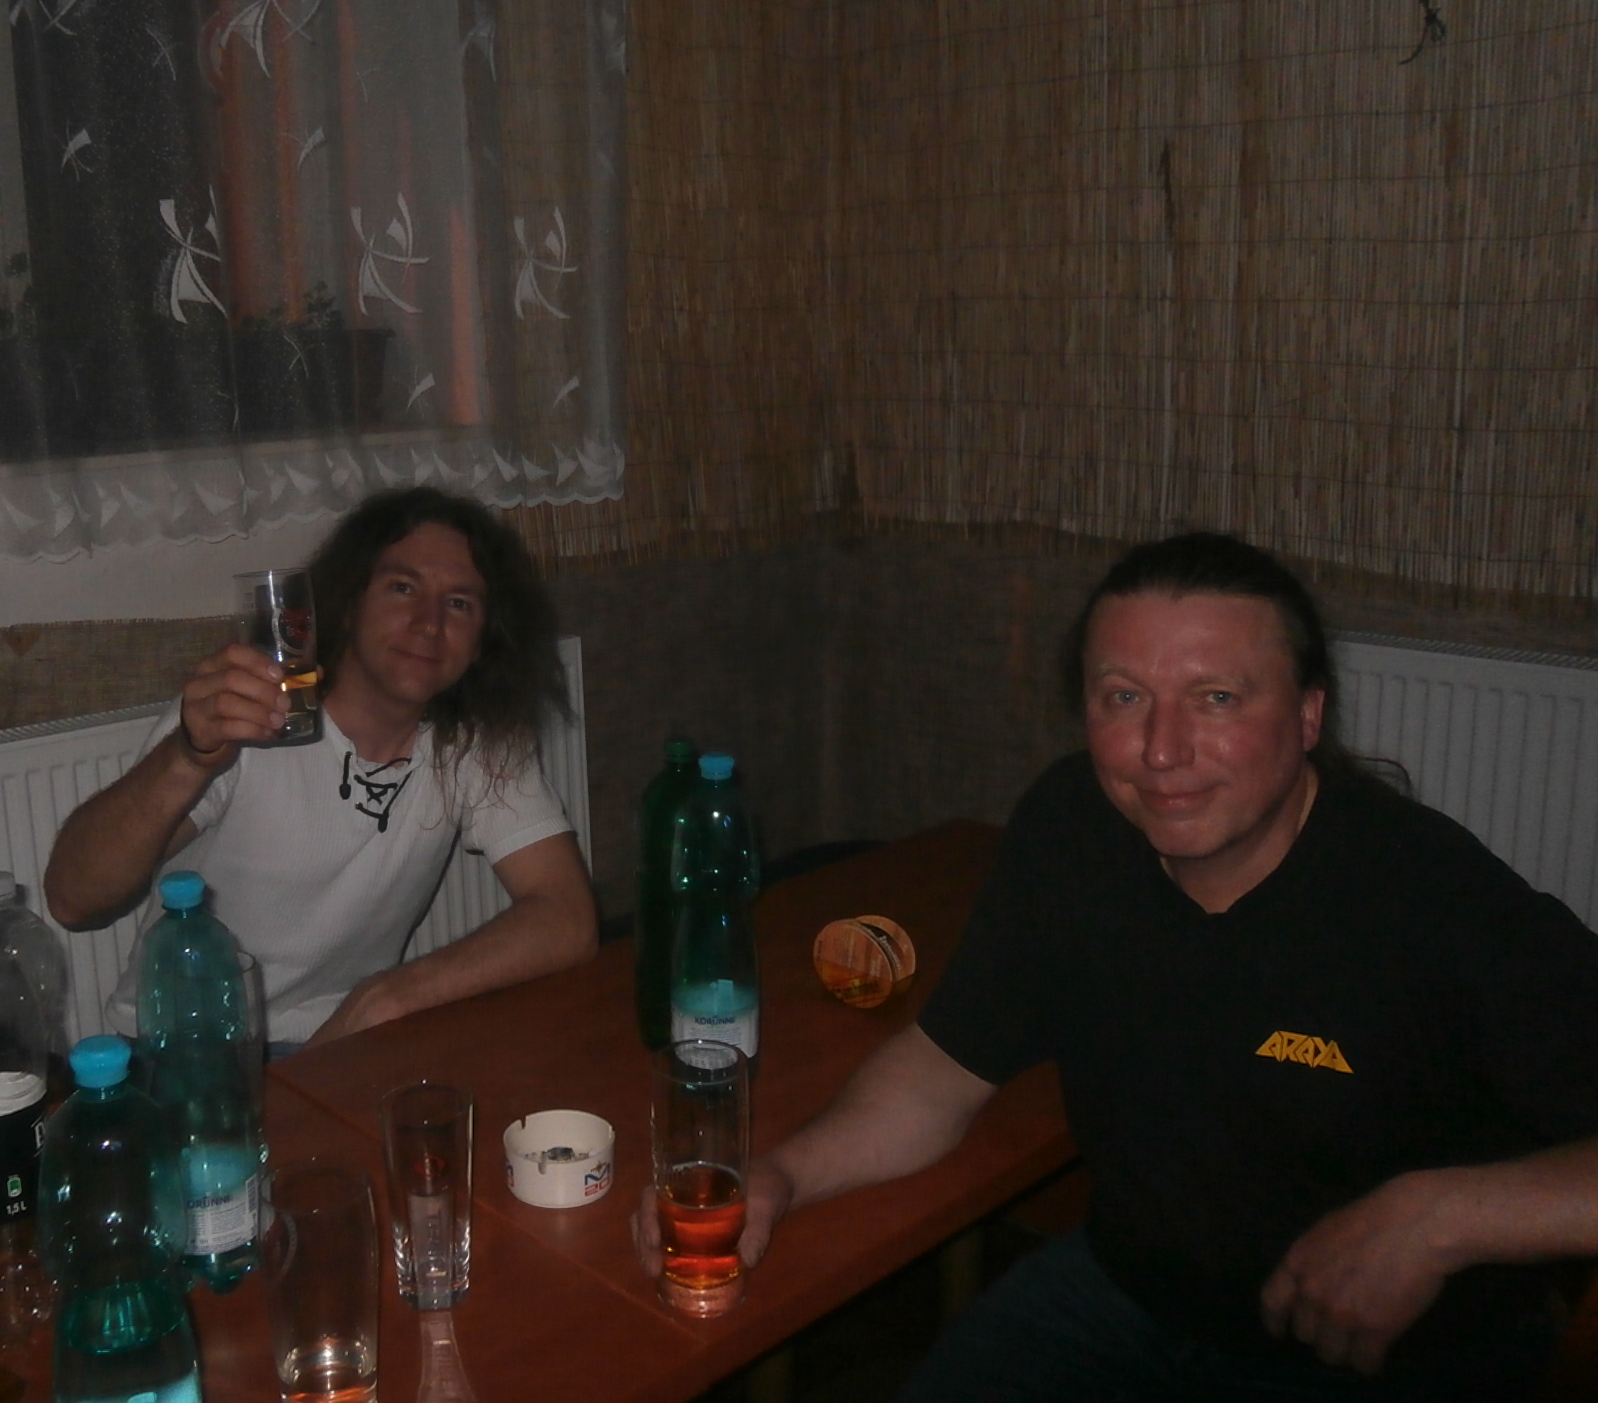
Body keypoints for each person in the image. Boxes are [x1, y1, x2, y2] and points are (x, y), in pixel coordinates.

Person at [636, 532, 1598, 1401]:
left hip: (1389, 1355)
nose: (1162, 750)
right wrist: (780, 1174)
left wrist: (1437, 1219)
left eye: (1217, 698)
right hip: (1127, 1301)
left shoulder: (1429, 898)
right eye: (1124, 698)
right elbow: (939, 1074)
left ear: (1309, 715)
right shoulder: (1071, 830)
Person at [46, 487, 597, 1048]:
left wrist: (385, 999)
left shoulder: (475, 737)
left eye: (458, 604)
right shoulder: (254, 706)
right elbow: (74, 899)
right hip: (187, 1051)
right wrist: (188, 755)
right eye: (402, 588)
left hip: (342, 1050)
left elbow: (567, 918)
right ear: (350, 604)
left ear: (482, 640)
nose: (428, 623)